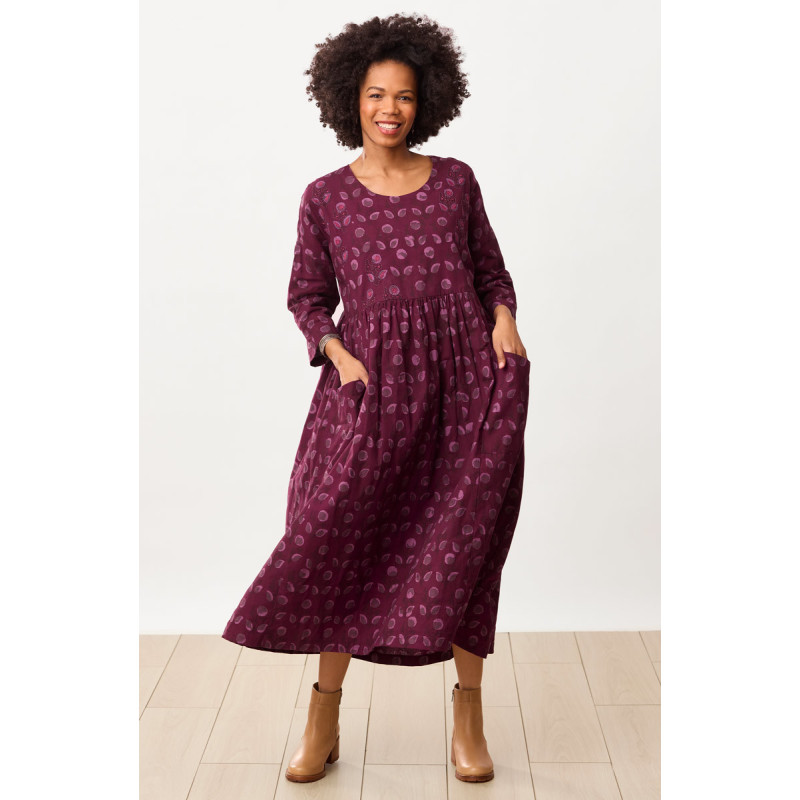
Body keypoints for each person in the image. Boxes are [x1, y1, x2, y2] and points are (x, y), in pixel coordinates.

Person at [221, 13, 530, 784]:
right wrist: (338, 354)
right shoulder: (326, 197)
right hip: (374, 391)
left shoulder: (455, 181)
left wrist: (503, 320)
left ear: (425, 101)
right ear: (349, 100)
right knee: (338, 543)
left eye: (404, 95)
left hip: (464, 389)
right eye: (375, 94)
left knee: (464, 545)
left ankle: (468, 714)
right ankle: (323, 717)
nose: (390, 108)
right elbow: (307, 296)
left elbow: (490, 270)